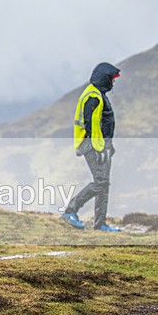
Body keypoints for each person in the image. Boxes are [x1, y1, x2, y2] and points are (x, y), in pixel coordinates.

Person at [62, 62, 121, 232]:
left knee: (104, 183)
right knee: (101, 181)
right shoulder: (93, 97)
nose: (114, 82)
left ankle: (100, 224)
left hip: (101, 145)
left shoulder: (98, 94)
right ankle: (70, 211)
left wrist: (108, 146)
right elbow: (92, 126)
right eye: (112, 79)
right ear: (105, 79)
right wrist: (100, 148)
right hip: (93, 145)